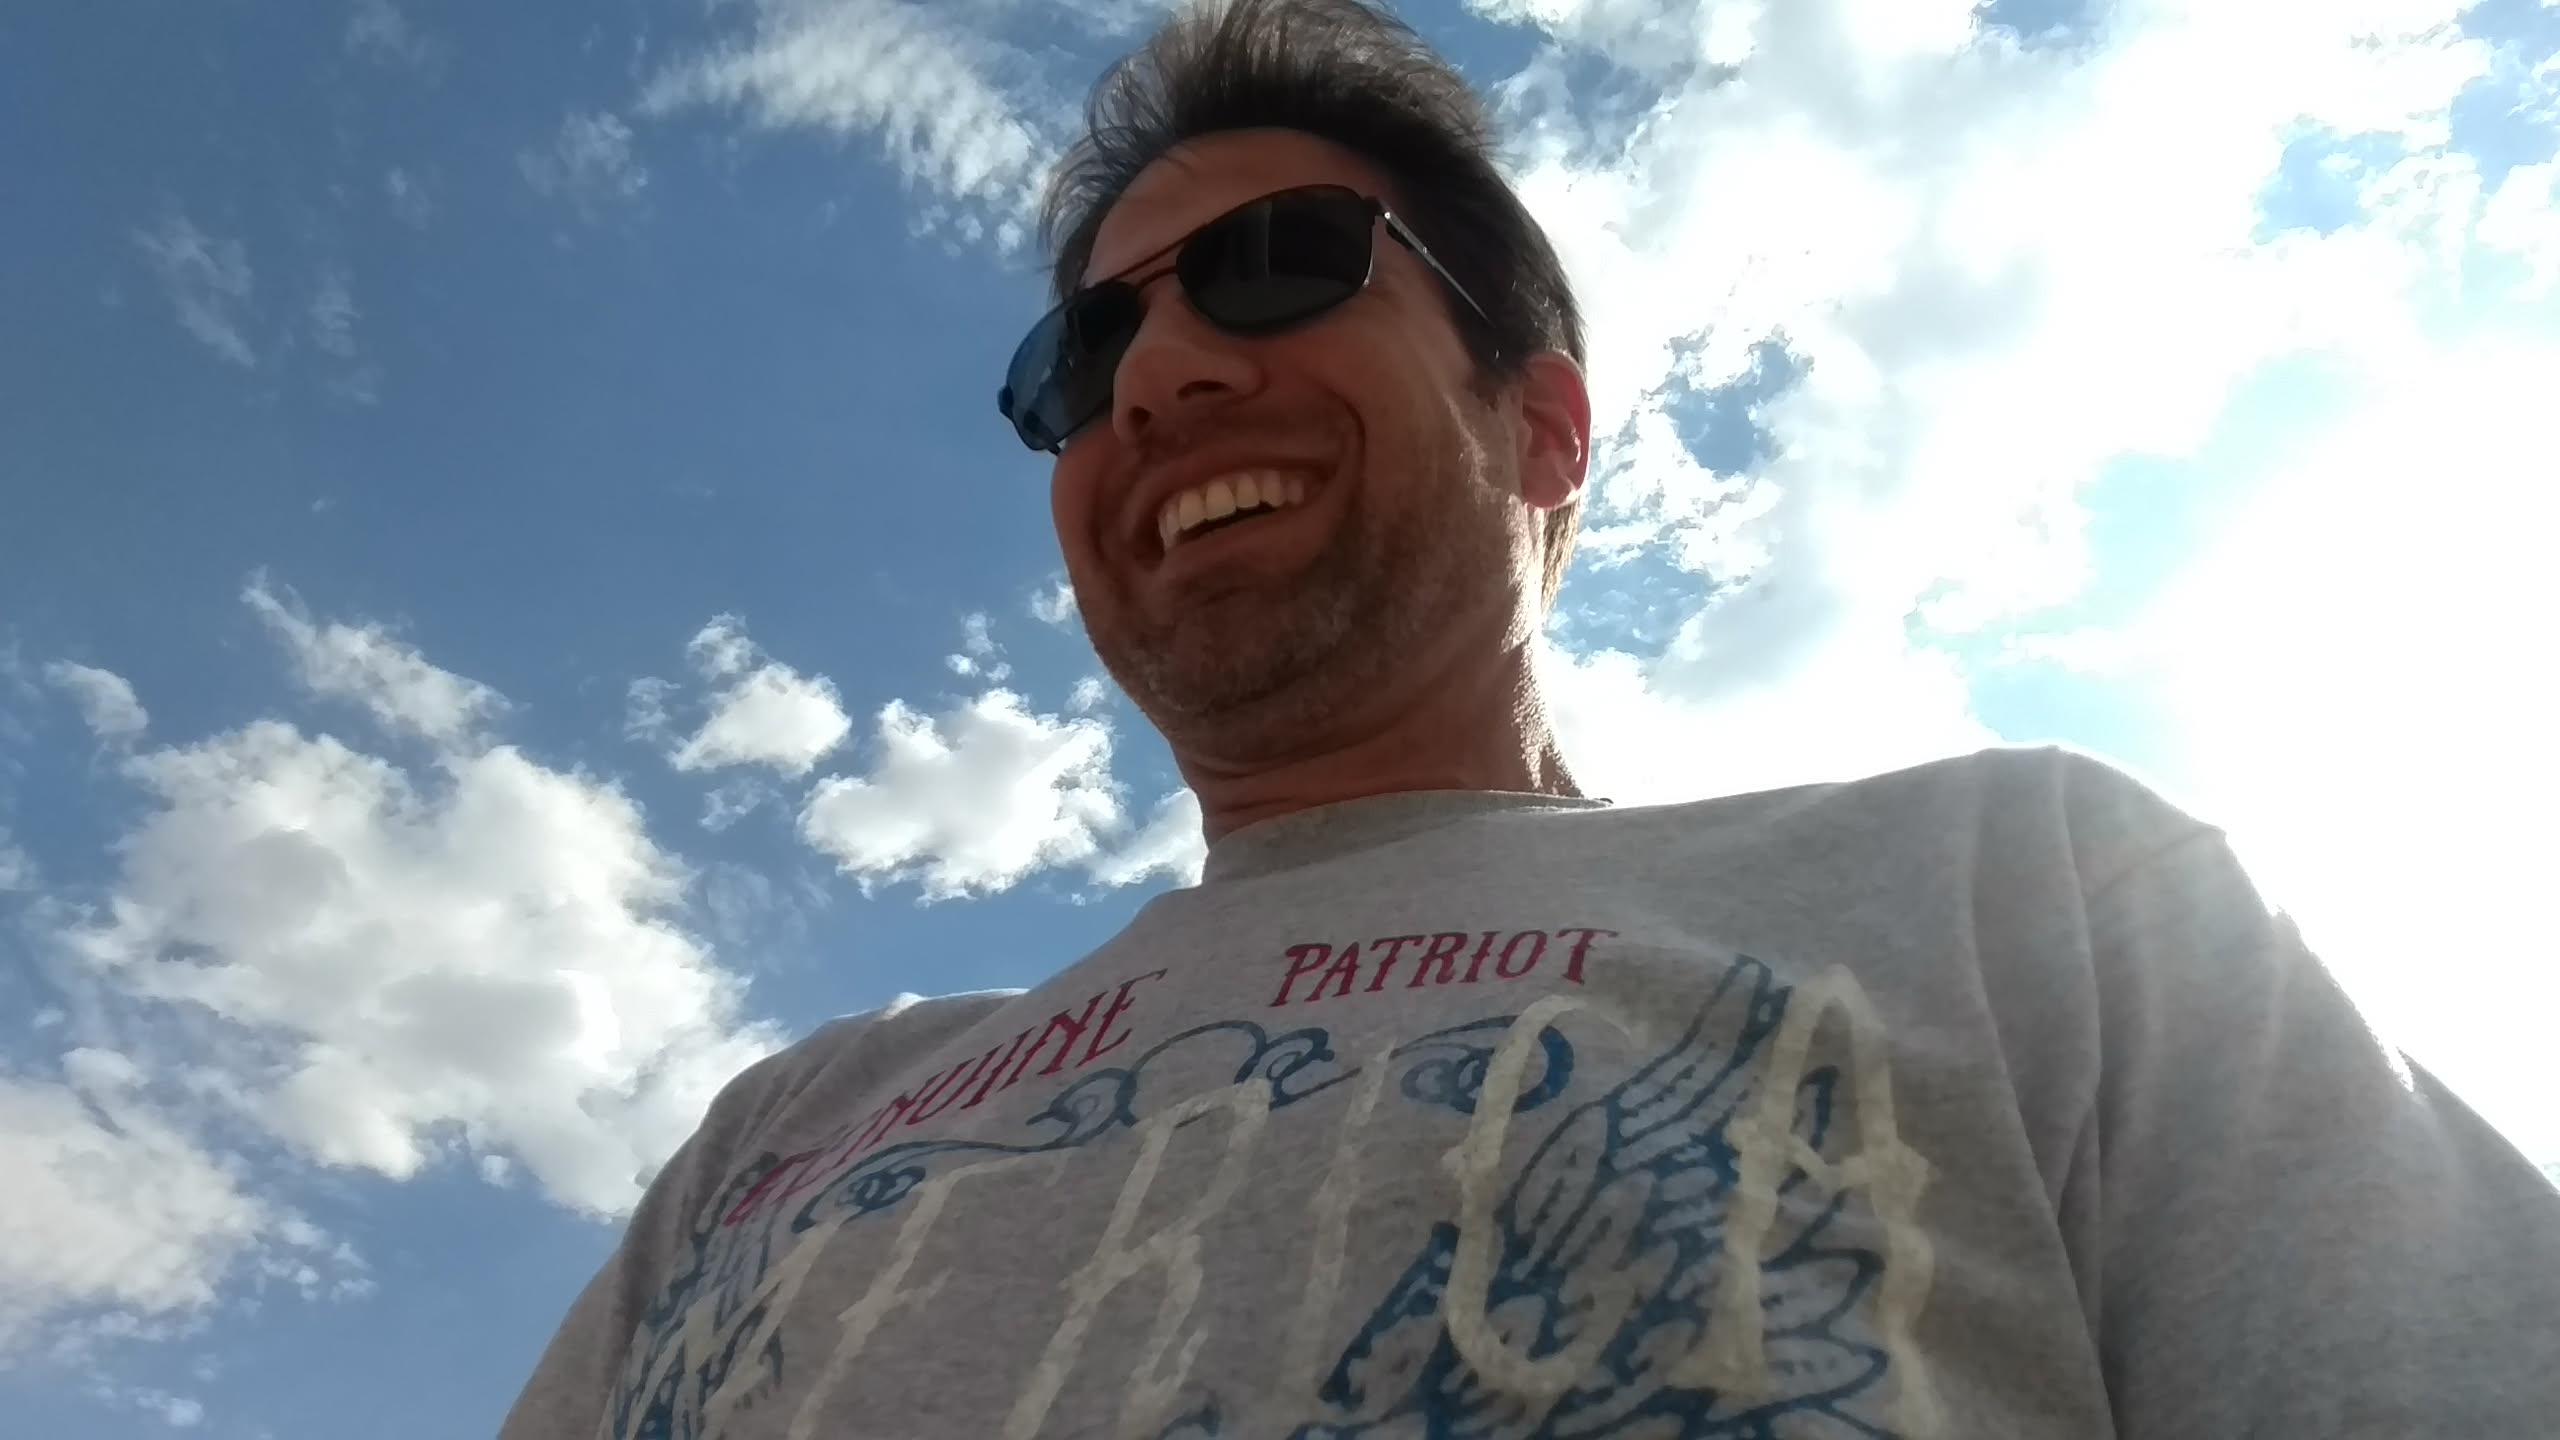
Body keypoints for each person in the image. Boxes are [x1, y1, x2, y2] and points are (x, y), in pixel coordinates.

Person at [500, 0, 2560, 1435]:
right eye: (1085, 349)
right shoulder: (784, 1127)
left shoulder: (2033, 890)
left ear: (1546, 425)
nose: (1160, 377)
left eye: (1277, 266)